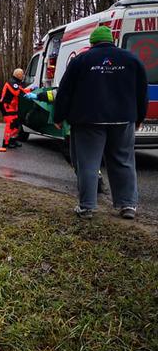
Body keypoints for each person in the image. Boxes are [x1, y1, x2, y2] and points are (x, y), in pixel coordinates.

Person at [53, 25, 148, 219]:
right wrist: (139, 117)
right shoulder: (131, 60)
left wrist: (58, 116)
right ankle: (127, 205)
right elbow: (142, 92)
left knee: (88, 163)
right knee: (123, 161)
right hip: (123, 119)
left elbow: (65, 91)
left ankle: (87, 206)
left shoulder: (81, 60)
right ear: (111, 40)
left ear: (92, 42)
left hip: (88, 120)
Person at [0, 68, 30, 148]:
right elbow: (18, 92)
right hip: (7, 106)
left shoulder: (16, 83)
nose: (23, 76)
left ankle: (12, 140)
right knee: (11, 124)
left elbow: (22, 91)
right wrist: (28, 94)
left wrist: (31, 90)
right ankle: (6, 142)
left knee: (16, 124)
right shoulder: (12, 83)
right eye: (22, 74)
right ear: (18, 75)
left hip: (12, 107)